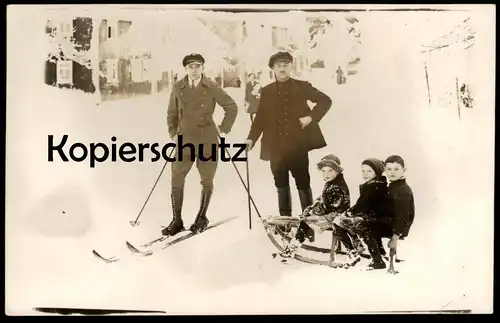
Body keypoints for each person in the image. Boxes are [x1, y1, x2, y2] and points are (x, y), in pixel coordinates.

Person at [245, 51, 332, 232]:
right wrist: (251, 139)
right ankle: (285, 223)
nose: (282, 68)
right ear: (273, 69)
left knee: (302, 182)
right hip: (275, 147)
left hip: (298, 146)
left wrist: (311, 117)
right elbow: (260, 118)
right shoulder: (267, 91)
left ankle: (308, 224)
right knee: (280, 182)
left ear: (291, 67)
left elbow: (325, 100)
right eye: (278, 65)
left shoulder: (302, 86)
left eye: (286, 64)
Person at [164, 53, 238, 236]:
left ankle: (201, 217)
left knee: (206, 179)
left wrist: (224, 129)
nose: (194, 70)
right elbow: (171, 113)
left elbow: (231, 107)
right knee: (176, 179)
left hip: (207, 140)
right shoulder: (178, 87)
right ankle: (177, 220)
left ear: (203, 68)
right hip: (184, 140)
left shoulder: (211, 86)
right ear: (186, 69)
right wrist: (173, 133)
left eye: (198, 66)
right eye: (190, 66)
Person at [266, 154, 362, 267]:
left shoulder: (337, 187)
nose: (326, 174)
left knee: (306, 222)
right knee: (307, 220)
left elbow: (328, 206)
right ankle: (292, 248)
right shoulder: (332, 183)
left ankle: (291, 249)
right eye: (324, 171)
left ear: (337, 171)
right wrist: (311, 208)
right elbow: (322, 199)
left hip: (336, 217)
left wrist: (313, 212)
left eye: (330, 171)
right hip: (332, 215)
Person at [332, 158, 394, 270]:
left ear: (377, 172)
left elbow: (362, 205)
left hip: (378, 220)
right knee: (348, 222)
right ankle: (379, 255)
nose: (365, 174)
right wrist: (350, 213)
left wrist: (349, 213)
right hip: (375, 217)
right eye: (363, 171)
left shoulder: (374, 187)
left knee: (338, 223)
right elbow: (362, 205)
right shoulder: (377, 184)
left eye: (369, 171)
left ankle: (358, 254)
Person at [384, 155, 415, 260]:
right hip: (392, 222)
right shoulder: (394, 185)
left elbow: (403, 216)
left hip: (398, 227)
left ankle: (379, 257)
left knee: (364, 226)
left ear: (404, 170)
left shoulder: (402, 190)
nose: (392, 172)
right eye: (389, 169)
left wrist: (395, 237)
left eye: (396, 169)